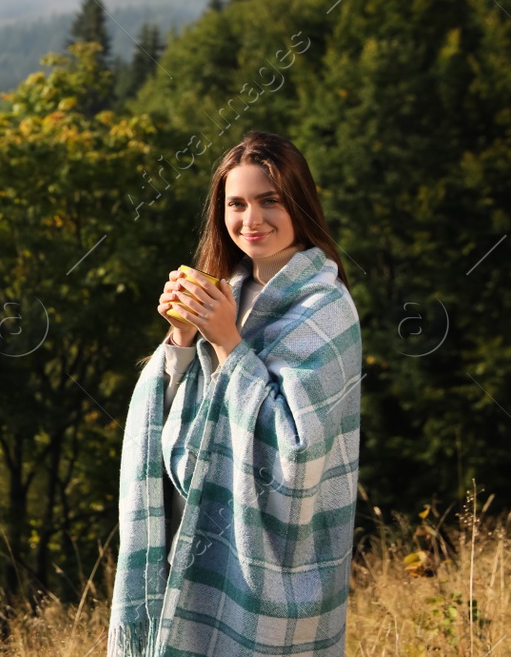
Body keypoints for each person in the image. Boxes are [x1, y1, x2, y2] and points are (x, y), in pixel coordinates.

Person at [108, 131, 361, 657]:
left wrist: (227, 341)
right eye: (236, 204)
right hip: (193, 550)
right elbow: (166, 422)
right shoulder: (228, 291)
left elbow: (297, 450)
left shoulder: (326, 310)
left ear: (300, 203)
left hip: (270, 580)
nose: (252, 220)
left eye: (270, 201)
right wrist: (179, 338)